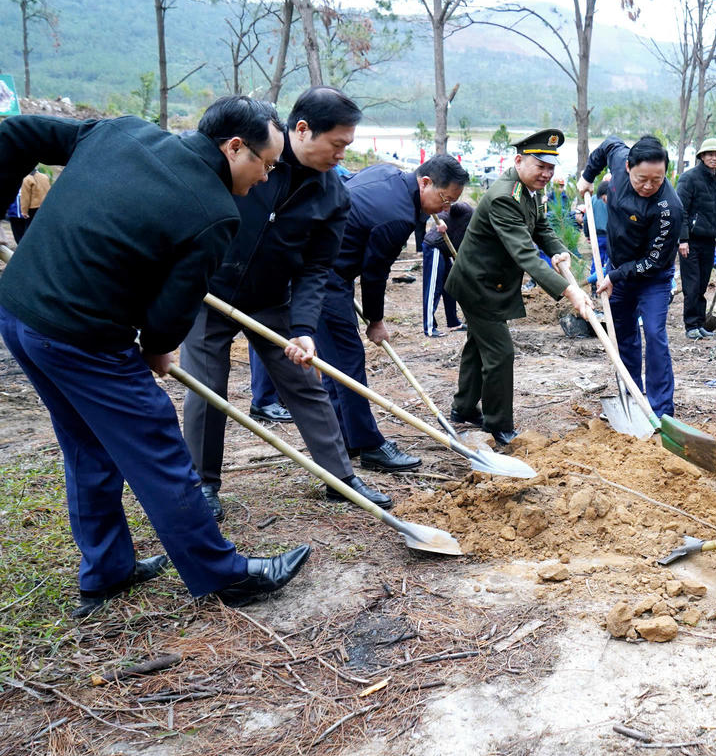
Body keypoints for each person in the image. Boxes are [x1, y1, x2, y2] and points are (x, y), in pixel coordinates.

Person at [0, 97, 311, 615]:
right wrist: (158, 350)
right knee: (157, 444)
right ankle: (223, 573)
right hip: (83, 337)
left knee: (87, 443)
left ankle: (107, 570)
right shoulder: (214, 214)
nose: (266, 177)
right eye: (267, 164)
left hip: (18, 314)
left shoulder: (119, 131)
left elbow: (14, 134)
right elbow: (171, 313)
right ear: (234, 147)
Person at [182, 86, 392, 520]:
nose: (342, 155)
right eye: (337, 144)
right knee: (206, 388)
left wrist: (303, 329)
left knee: (304, 383)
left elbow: (317, 269)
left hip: (271, 301)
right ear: (302, 129)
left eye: (347, 146)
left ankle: (340, 478)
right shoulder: (251, 155)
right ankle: (203, 483)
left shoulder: (334, 195)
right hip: (210, 293)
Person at [314, 155, 468, 471]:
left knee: (336, 365)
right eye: (444, 199)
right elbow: (374, 272)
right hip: (322, 278)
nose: (445, 209)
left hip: (322, 269)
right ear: (425, 182)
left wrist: (429, 215)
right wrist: (376, 321)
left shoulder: (389, 175)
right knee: (348, 360)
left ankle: (345, 436)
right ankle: (369, 445)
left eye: (451, 204)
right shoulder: (396, 216)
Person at [446, 128, 594, 446]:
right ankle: (499, 423)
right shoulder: (504, 197)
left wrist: (557, 249)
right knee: (500, 353)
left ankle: (463, 407)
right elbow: (525, 253)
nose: (547, 173)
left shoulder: (528, 190)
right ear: (518, 161)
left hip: (489, 281)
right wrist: (570, 291)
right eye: (540, 166)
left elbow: (540, 226)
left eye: (551, 168)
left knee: (477, 345)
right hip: (478, 285)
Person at [578, 135, 684, 419]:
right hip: (617, 268)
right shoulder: (618, 159)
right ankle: (631, 395)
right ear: (627, 167)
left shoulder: (669, 208)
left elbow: (654, 260)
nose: (649, 186)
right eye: (642, 179)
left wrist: (614, 275)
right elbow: (608, 144)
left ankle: (661, 410)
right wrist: (588, 177)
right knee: (623, 335)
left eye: (657, 179)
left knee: (654, 333)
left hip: (653, 279)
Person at [676, 136, 716, 340]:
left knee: (702, 284)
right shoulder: (689, 178)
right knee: (691, 284)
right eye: (710, 154)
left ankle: (699, 323)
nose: (714, 158)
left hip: (710, 240)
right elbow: (679, 210)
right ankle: (691, 325)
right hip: (690, 241)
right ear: (702, 156)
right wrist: (682, 239)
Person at [423, 200, 473, 336]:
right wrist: (440, 221)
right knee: (434, 287)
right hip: (435, 246)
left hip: (445, 252)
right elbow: (447, 207)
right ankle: (429, 328)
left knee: (450, 286)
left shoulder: (478, 230)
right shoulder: (466, 210)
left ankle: (453, 322)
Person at [15, 167, 51, 244]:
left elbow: (25, 198)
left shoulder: (27, 179)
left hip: (33, 208)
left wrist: (24, 212)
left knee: (29, 230)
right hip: (45, 206)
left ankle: (28, 246)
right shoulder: (45, 177)